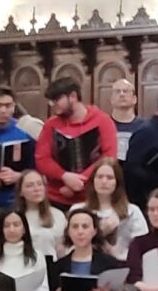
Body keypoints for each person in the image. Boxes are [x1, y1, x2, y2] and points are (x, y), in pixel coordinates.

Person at [33, 76, 117, 205]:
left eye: (57, 100)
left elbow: (109, 157)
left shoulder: (102, 121)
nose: (53, 105)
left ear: (72, 96)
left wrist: (80, 182)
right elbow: (42, 158)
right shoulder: (51, 124)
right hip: (56, 196)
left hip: (92, 197)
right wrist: (65, 176)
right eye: (51, 101)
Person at [46, 209, 124, 291]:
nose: (80, 231)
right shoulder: (58, 266)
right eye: (75, 227)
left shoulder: (110, 264)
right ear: (68, 232)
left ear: (94, 231)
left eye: (85, 226)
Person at [81, 159, 144, 258]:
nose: (104, 181)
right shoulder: (80, 210)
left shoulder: (132, 211)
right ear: (93, 181)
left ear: (117, 182)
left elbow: (142, 246)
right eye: (100, 177)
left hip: (122, 265)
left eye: (109, 177)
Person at [0, 209, 49, 291]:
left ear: (24, 229)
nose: (12, 230)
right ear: (0, 230)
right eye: (6, 226)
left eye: (16, 225)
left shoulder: (37, 256)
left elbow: (43, 290)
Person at [16, 173, 67, 261]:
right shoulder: (16, 217)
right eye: (30, 186)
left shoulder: (57, 215)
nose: (36, 189)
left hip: (51, 266)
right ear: (21, 192)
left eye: (39, 184)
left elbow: (63, 248)